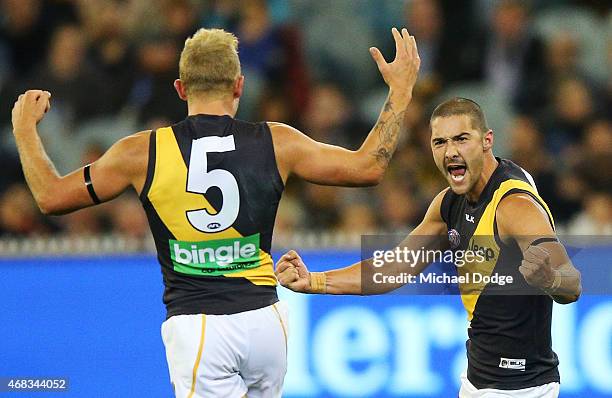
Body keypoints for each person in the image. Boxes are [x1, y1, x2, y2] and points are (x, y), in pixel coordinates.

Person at [10, 27, 420, 397]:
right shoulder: (278, 142)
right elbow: (369, 167)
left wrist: (26, 131)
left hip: (198, 322)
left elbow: (51, 196)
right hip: (266, 322)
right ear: (239, 85)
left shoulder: (141, 152)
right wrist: (400, 90)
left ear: (180, 88)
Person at [276, 98, 582, 398]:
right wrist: (315, 281)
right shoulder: (449, 204)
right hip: (477, 381)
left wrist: (551, 280)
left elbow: (572, 283)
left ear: (487, 140)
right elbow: (394, 268)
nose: (451, 152)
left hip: (523, 388)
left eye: (462, 139)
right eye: (440, 142)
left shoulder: (515, 206)